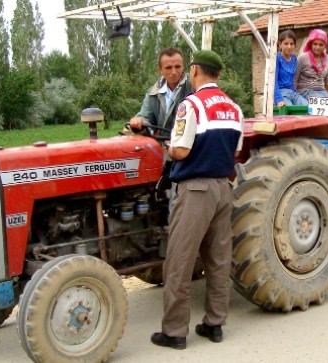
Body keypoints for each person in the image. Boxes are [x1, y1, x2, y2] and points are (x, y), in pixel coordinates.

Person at [150, 49, 244, 350]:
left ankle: (175, 331)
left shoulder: (191, 105)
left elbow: (180, 150)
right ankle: (215, 324)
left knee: (180, 259)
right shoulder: (234, 108)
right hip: (223, 189)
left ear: (194, 71)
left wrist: (168, 149)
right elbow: (237, 151)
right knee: (218, 259)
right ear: (217, 74)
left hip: (195, 191)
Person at [127, 47, 193, 132]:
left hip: (189, 144)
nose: (173, 72)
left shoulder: (193, 86)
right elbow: (145, 116)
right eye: (168, 68)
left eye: (177, 66)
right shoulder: (153, 93)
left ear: (183, 66)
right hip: (161, 144)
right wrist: (139, 121)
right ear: (160, 70)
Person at [294, 28, 328, 100]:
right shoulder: (303, 58)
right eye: (315, 44)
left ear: (325, 46)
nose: (317, 47)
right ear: (310, 44)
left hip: (321, 91)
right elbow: (294, 79)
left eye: (321, 45)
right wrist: (294, 97)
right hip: (305, 90)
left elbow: (327, 81)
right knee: (320, 103)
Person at [274, 30, 307, 108]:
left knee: (309, 108)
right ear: (280, 44)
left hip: (294, 93)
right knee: (290, 110)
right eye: (286, 43)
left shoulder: (295, 59)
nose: (289, 46)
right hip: (282, 94)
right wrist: (279, 100)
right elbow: (273, 81)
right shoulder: (276, 59)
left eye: (291, 44)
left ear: (295, 45)